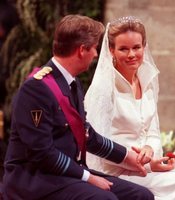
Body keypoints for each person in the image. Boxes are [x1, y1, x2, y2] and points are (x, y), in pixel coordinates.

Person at [2, 14, 154, 200]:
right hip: (35, 179)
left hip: (66, 175)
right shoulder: (36, 89)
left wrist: (127, 156)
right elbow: (41, 153)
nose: (97, 54)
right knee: (105, 199)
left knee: (141, 195)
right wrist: (88, 177)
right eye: (94, 48)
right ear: (82, 50)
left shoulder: (71, 83)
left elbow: (87, 135)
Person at [84, 16, 175, 200]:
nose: (131, 54)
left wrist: (149, 149)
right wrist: (136, 159)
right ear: (111, 50)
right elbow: (96, 146)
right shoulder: (103, 89)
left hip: (147, 169)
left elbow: (152, 131)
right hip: (117, 172)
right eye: (123, 49)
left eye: (136, 47)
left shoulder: (148, 82)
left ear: (144, 47)